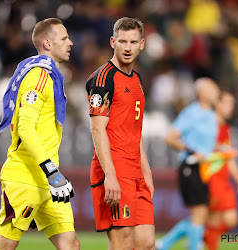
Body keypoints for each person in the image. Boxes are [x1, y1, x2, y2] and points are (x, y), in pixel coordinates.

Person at [0, 18, 80, 250]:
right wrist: (51, 171)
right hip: (27, 176)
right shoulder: (38, 76)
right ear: (47, 43)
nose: (70, 43)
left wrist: (52, 173)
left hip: (49, 180)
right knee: (4, 246)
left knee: (71, 245)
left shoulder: (51, 75)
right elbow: (25, 127)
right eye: (64, 38)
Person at [85, 17, 155, 250]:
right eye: (122, 41)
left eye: (133, 42)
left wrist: (145, 171)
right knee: (122, 241)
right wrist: (110, 176)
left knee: (146, 242)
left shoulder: (137, 79)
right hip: (115, 168)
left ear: (142, 44)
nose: (127, 47)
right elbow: (97, 129)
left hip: (135, 170)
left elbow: (135, 130)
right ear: (112, 42)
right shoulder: (103, 78)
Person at [156, 78, 220, 250]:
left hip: (205, 169)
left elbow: (208, 145)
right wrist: (191, 150)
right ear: (203, 94)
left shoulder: (211, 115)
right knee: (199, 213)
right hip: (191, 167)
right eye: (213, 90)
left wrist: (221, 149)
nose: (217, 93)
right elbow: (170, 138)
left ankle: (164, 245)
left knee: (202, 214)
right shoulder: (192, 113)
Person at [204, 91, 238, 250]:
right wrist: (219, 147)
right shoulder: (209, 125)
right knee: (215, 219)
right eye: (227, 103)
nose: (231, 107)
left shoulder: (226, 127)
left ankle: (199, 234)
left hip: (224, 180)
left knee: (231, 220)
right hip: (212, 177)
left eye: (232, 103)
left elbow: (228, 158)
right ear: (217, 105)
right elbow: (200, 147)